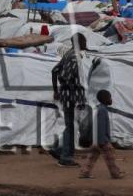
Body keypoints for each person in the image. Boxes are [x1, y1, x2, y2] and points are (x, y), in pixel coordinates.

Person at [50, 33, 87, 167]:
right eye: (83, 41)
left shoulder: (68, 54)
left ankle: (58, 149)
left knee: (70, 125)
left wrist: (56, 90)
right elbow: (65, 76)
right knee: (71, 126)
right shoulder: (74, 57)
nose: (85, 43)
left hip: (66, 95)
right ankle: (66, 157)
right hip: (71, 96)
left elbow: (54, 71)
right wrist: (78, 93)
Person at [80, 90, 124, 179]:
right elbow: (100, 126)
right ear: (105, 99)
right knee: (110, 158)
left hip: (95, 139)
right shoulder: (103, 110)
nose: (111, 100)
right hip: (102, 140)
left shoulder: (98, 108)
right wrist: (102, 141)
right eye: (109, 97)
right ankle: (115, 174)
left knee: (91, 157)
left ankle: (85, 173)